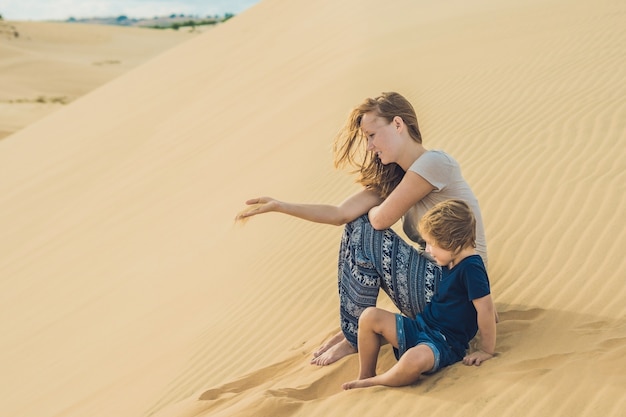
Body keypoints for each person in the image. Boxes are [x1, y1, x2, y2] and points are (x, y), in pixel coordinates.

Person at [238, 92, 489, 366]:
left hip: (459, 293)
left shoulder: (434, 163)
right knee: (356, 223)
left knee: (365, 226)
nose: (369, 146)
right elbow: (339, 214)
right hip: (439, 296)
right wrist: (281, 206)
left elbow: (378, 222)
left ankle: (354, 336)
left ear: (397, 124)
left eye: (372, 135)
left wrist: (372, 210)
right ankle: (354, 330)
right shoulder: (401, 178)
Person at [342, 199, 495, 390]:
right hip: (420, 327)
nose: (428, 250)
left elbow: (486, 309)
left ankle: (375, 382)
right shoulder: (452, 259)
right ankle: (365, 375)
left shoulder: (472, 268)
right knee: (369, 316)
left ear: (452, 242)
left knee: (412, 361)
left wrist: (486, 350)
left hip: (444, 343)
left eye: (432, 244)